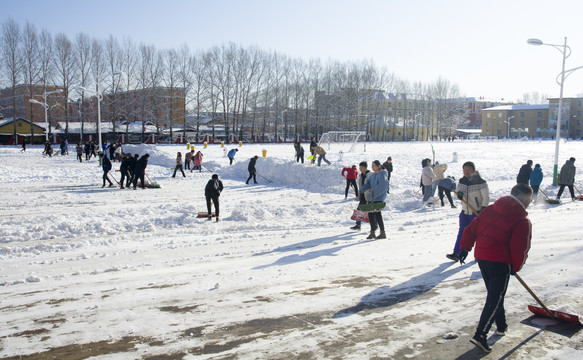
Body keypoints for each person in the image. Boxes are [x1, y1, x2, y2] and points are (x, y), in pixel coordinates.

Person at [459, 184, 533, 353]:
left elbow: (471, 229)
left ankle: (502, 325)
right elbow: (520, 248)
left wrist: (465, 248)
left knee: (496, 295)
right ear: (526, 200)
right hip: (500, 262)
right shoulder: (522, 220)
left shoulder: (491, 209)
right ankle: (481, 334)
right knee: (495, 297)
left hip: (482, 258)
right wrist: (515, 266)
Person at [446, 161, 489, 261]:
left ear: (473, 170)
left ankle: (480, 255)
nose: (466, 172)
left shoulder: (481, 182)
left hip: (476, 213)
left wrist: (483, 210)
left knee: (479, 235)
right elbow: (457, 192)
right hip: (465, 213)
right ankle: (457, 253)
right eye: (464, 170)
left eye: (468, 170)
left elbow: (486, 197)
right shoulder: (462, 181)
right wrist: (459, 194)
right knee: (462, 233)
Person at [359, 160, 389, 240]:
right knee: (372, 214)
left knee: (376, 213)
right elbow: (368, 184)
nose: (372, 167)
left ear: (378, 166)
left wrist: (372, 196)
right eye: (371, 166)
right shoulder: (373, 175)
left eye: (373, 166)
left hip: (378, 197)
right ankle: (374, 232)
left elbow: (382, 188)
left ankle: (381, 232)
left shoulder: (382, 175)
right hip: (373, 197)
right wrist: (362, 189)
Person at [351, 162, 372, 231]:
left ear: (366, 167)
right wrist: (359, 195)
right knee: (359, 209)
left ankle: (374, 226)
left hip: (368, 196)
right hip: (363, 195)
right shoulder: (361, 175)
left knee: (370, 212)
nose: (360, 169)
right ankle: (358, 225)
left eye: (362, 168)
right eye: (359, 168)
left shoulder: (370, 175)